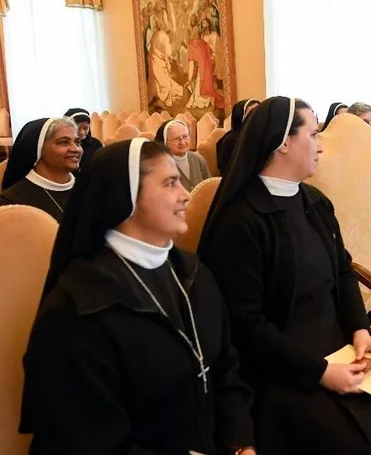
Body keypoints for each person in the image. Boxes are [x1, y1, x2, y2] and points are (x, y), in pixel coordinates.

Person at [197, 97, 371, 454]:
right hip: (279, 366)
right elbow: (245, 326)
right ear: (283, 142)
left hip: (338, 344)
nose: (321, 146)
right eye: (313, 135)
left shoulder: (314, 201)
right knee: (350, 441)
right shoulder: (241, 221)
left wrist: (360, 331)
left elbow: (343, 270)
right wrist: (321, 373)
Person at [19, 138, 256, 454]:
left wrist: (240, 441)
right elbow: (85, 440)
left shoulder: (194, 274)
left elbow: (226, 368)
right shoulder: (77, 312)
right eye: (170, 183)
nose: (186, 194)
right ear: (127, 196)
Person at [0, 118, 81, 220]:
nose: (76, 149)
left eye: (77, 142)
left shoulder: (88, 187)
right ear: (38, 148)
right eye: (63, 142)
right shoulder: (12, 202)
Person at [155, 119, 211, 192]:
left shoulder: (197, 159)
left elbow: (209, 186)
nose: (182, 142)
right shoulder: (160, 166)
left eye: (185, 136)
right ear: (165, 141)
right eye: (176, 139)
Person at [218, 99, 260, 177]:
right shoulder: (230, 140)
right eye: (251, 113)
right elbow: (230, 171)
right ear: (241, 117)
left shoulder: (262, 135)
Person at [64, 108, 103, 173]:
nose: (82, 132)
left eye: (85, 128)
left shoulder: (96, 144)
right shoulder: (63, 145)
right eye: (78, 128)